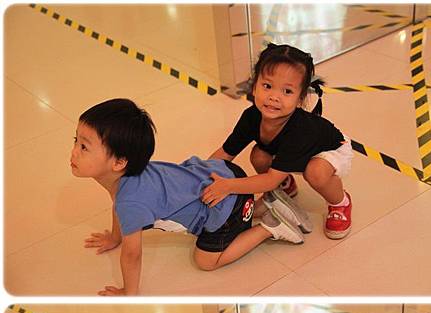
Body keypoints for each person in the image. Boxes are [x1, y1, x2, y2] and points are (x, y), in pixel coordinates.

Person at [72, 98, 303, 295]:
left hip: (226, 206)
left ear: (119, 162)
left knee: (205, 261)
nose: (73, 152)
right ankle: (265, 203)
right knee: (238, 209)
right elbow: (119, 208)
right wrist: (116, 238)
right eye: (76, 141)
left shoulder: (129, 201)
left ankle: (270, 227)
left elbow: (132, 254)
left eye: (84, 147)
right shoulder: (132, 176)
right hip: (227, 175)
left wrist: (129, 292)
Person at [204, 43, 353, 240]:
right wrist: (200, 174)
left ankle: (340, 203)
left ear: (300, 98)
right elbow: (225, 153)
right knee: (258, 155)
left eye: (287, 91)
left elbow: (270, 179)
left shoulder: (300, 130)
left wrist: (229, 186)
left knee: (315, 172)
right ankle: (286, 185)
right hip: (291, 152)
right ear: (254, 86)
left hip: (330, 150)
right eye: (267, 86)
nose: (274, 97)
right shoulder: (251, 116)